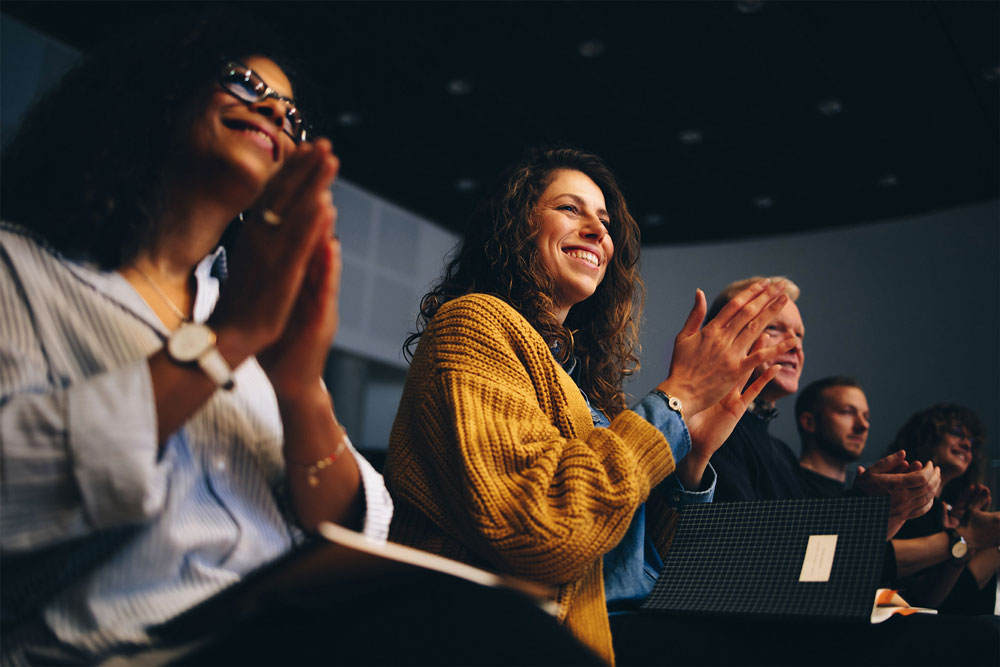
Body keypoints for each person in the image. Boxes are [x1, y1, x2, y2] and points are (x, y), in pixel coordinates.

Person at [0, 15, 393, 663]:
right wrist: (222, 344)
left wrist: (299, 390)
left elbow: (359, 529)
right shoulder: (23, 268)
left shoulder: (259, 311)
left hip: (287, 635)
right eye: (243, 83)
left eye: (294, 118)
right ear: (154, 101)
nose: (273, 109)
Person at [383, 147, 796, 663]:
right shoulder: (473, 322)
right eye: (570, 209)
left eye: (604, 220)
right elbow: (542, 530)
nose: (600, 232)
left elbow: (650, 565)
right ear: (515, 224)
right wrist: (676, 399)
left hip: (626, 626)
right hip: (521, 638)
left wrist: (692, 461)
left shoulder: (585, 386)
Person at [705, 276, 938, 539]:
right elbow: (751, 552)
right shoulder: (710, 434)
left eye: (799, 335)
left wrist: (888, 512)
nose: (795, 345)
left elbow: (812, 555)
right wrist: (861, 503)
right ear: (726, 333)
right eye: (775, 328)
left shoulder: (782, 454)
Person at [888, 404, 1000, 614]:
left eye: (973, 442)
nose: (967, 444)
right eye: (957, 433)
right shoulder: (900, 500)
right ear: (928, 437)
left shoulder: (949, 510)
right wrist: (981, 540)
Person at [794, 376, 871, 497]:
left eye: (865, 416)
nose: (863, 425)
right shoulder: (786, 487)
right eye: (847, 412)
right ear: (810, 422)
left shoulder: (849, 492)